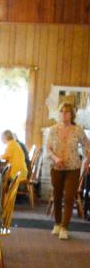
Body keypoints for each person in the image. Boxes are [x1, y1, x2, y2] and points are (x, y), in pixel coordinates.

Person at [43, 102, 90, 240]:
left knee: (69, 197)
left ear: (72, 114)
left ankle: (64, 227)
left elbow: (87, 147)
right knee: (57, 197)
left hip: (73, 168)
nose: (64, 114)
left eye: (67, 112)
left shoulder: (78, 130)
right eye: (62, 111)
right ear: (59, 114)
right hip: (56, 167)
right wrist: (56, 158)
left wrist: (87, 161)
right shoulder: (52, 130)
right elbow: (48, 149)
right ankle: (57, 223)